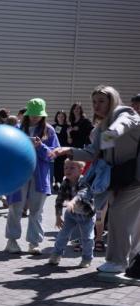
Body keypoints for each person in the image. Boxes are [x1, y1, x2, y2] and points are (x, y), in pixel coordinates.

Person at [52, 85, 140, 274]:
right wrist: (68, 150)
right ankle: (132, 261)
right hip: (120, 178)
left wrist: (110, 132)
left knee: (118, 214)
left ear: (112, 101)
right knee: (131, 221)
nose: (96, 105)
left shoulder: (124, 113)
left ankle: (117, 262)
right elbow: (92, 153)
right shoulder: (102, 127)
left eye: (101, 101)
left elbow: (123, 125)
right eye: (94, 102)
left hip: (134, 177)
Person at [5, 98, 60, 255]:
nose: (35, 117)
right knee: (15, 207)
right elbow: (8, 151)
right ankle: (11, 241)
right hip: (19, 174)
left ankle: (34, 243)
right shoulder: (17, 129)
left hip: (39, 176)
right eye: (32, 114)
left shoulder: (49, 130)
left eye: (38, 114)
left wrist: (40, 146)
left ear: (43, 115)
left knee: (36, 210)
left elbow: (53, 154)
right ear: (27, 114)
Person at [48, 160, 95, 268]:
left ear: (81, 170)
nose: (68, 170)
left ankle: (87, 258)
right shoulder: (65, 182)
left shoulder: (84, 181)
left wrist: (72, 202)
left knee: (87, 238)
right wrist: (58, 216)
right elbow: (59, 200)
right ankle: (56, 254)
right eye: (66, 168)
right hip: (71, 214)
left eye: (72, 168)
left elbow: (81, 194)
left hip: (86, 214)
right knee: (63, 235)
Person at [51, 110, 70, 191]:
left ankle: (62, 183)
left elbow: (70, 141)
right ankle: (56, 182)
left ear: (65, 117)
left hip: (64, 150)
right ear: (56, 117)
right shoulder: (53, 127)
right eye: (59, 116)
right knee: (55, 167)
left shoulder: (68, 127)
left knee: (63, 166)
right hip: (55, 149)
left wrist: (68, 133)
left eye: (62, 116)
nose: (60, 118)